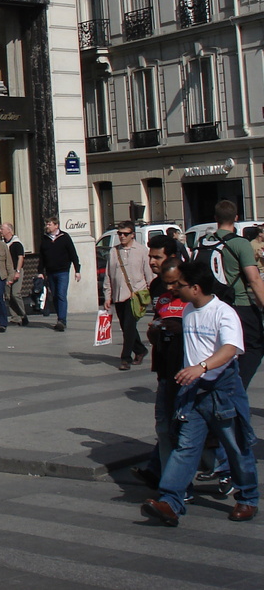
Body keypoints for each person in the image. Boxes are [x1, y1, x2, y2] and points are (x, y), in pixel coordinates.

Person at [140, 259, 258, 526]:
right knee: (185, 447)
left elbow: (230, 348)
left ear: (195, 287)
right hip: (192, 393)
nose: (173, 290)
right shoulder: (189, 311)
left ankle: (248, 498)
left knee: (236, 446)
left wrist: (201, 367)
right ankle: (170, 502)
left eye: (179, 285)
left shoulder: (224, 313)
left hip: (222, 391)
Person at [196, 199, 264, 389]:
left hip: (213, 304)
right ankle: (235, 387)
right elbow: (254, 279)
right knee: (254, 346)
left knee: (222, 346)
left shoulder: (204, 242)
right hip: (239, 304)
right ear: (236, 218)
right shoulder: (240, 244)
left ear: (215, 218)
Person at [132, 238, 182, 489]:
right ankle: (164, 478)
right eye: (150, 257)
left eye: (157, 257)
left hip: (189, 369)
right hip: (164, 366)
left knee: (193, 428)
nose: (151, 261)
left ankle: (224, 468)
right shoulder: (155, 286)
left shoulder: (191, 283)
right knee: (164, 427)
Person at [106, 220, 151, 371]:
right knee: (126, 328)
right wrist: (107, 296)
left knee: (129, 325)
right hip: (119, 294)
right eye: (119, 234)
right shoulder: (114, 251)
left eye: (125, 234)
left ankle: (125, 358)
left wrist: (152, 292)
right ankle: (140, 350)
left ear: (132, 235)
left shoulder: (142, 250)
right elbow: (108, 275)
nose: (122, 237)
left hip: (135, 294)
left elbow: (148, 273)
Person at [37, 216, 81, 331]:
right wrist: (40, 271)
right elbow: (41, 256)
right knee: (55, 296)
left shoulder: (64, 237)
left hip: (63, 271)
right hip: (50, 272)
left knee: (61, 295)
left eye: (49, 224)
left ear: (56, 226)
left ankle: (62, 320)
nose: (47, 226)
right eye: (46, 224)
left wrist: (77, 270)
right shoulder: (45, 239)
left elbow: (73, 254)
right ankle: (59, 316)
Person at [0, 223, 29, 327]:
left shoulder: (16, 243)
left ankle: (23, 314)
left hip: (16, 270)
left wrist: (18, 271)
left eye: (2, 229)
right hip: (6, 272)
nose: (0, 231)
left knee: (15, 294)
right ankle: (15, 317)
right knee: (8, 295)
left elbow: (20, 257)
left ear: (9, 230)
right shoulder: (2, 244)